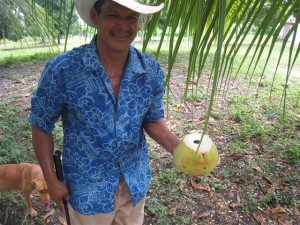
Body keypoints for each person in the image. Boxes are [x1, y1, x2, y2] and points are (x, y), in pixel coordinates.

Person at [29, 0, 180, 224]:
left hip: (133, 184)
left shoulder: (150, 71)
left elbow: (152, 119)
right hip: (87, 191)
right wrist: (50, 179)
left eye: (131, 18)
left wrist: (180, 150)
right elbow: (41, 125)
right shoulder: (63, 70)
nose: (123, 25)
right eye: (113, 15)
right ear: (94, 16)